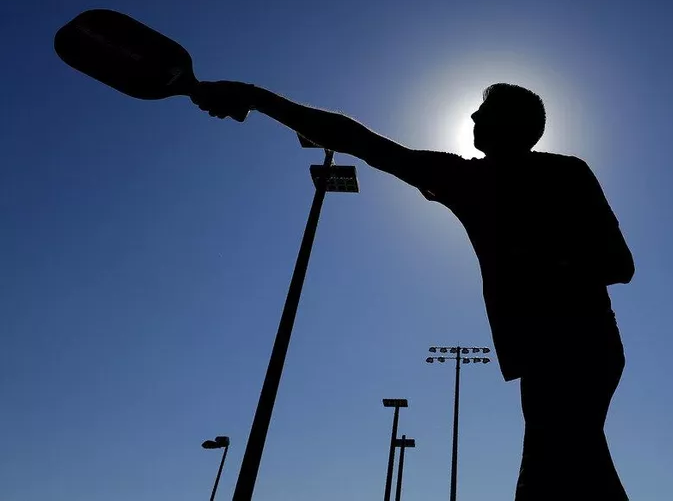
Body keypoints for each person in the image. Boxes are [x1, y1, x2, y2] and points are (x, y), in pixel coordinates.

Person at [191, 81, 635, 499]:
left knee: (555, 466)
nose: (474, 114)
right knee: (568, 468)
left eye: (486, 110)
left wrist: (539, 259)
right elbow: (360, 142)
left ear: (512, 124)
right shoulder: (468, 180)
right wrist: (257, 99)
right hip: (554, 349)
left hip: (577, 343)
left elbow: (619, 264)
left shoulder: (562, 174)